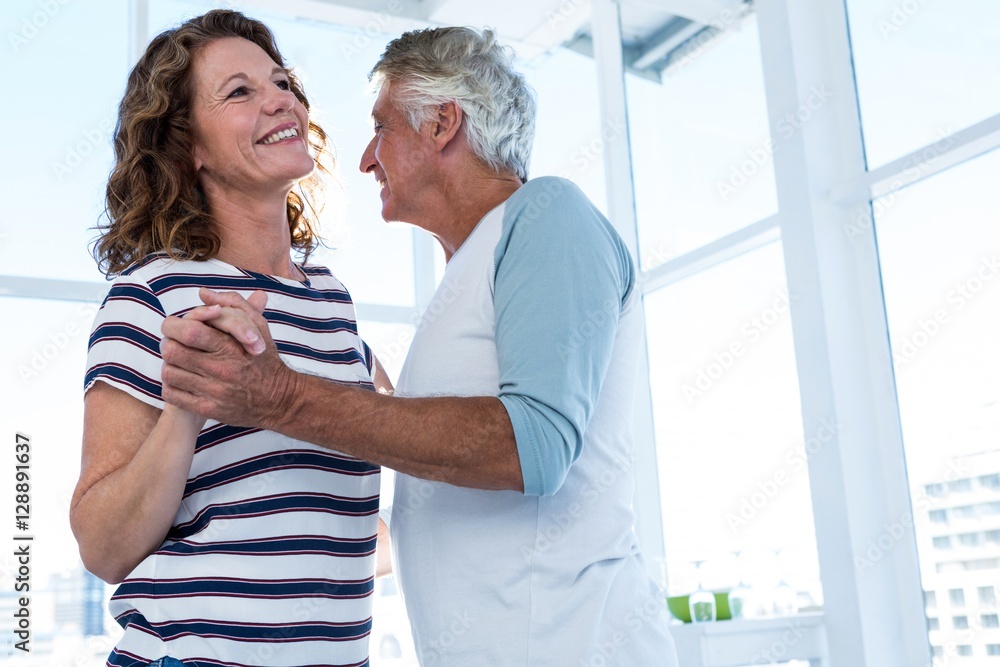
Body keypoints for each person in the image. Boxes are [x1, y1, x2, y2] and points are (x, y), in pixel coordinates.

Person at [160, 27, 679, 666]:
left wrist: (282, 396)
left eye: (382, 129)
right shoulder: (471, 271)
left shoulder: (547, 215)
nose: (366, 159)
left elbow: (533, 447)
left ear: (441, 123)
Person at [70, 10, 389, 667]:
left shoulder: (332, 300)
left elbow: (341, 525)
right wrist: (188, 407)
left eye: (282, 82)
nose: (281, 99)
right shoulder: (153, 296)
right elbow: (103, 547)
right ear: (192, 148)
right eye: (240, 91)